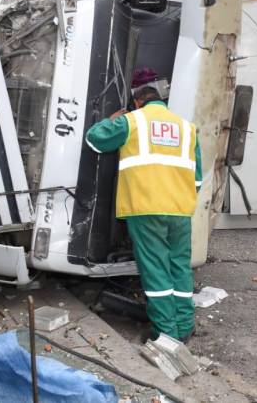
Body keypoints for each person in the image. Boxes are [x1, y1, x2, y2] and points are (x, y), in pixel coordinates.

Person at [85, 84, 202, 343]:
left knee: (156, 270)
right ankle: (184, 326)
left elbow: (95, 139)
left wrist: (111, 119)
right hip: (180, 211)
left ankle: (166, 335)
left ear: (138, 102)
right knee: (179, 268)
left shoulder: (132, 121)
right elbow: (197, 179)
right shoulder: (187, 128)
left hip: (146, 209)